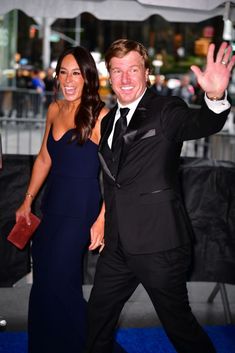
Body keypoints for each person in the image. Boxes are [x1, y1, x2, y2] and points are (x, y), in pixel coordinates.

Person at [84, 39, 235, 353]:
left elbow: (201, 122)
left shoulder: (166, 110)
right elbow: (114, 181)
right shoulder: (110, 120)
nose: (125, 79)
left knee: (179, 325)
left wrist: (215, 96)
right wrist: (103, 219)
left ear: (146, 73)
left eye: (133, 70)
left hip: (160, 244)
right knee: (97, 316)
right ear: (109, 76)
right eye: (117, 71)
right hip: (117, 246)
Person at [16, 46, 109, 353]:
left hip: (81, 211)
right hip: (52, 207)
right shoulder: (54, 109)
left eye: (77, 73)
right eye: (63, 72)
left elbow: (117, 173)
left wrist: (103, 217)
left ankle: (89, 346)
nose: (69, 80)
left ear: (88, 78)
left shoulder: (101, 115)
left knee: (59, 282)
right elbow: (44, 158)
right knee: (44, 280)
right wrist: (27, 201)